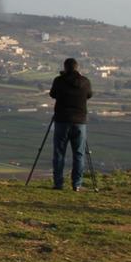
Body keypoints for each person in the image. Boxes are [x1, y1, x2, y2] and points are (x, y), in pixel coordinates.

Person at [48, 57, 92, 192]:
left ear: (65, 67)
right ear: (77, 67)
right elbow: (89, 95)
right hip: (80, 122)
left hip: (62, 120)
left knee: (59, 153)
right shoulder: (85, 81)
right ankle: (77, 184)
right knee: (79, 154)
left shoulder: (59, 80)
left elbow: (52, 94)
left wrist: (63, 77)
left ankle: (58, 184)